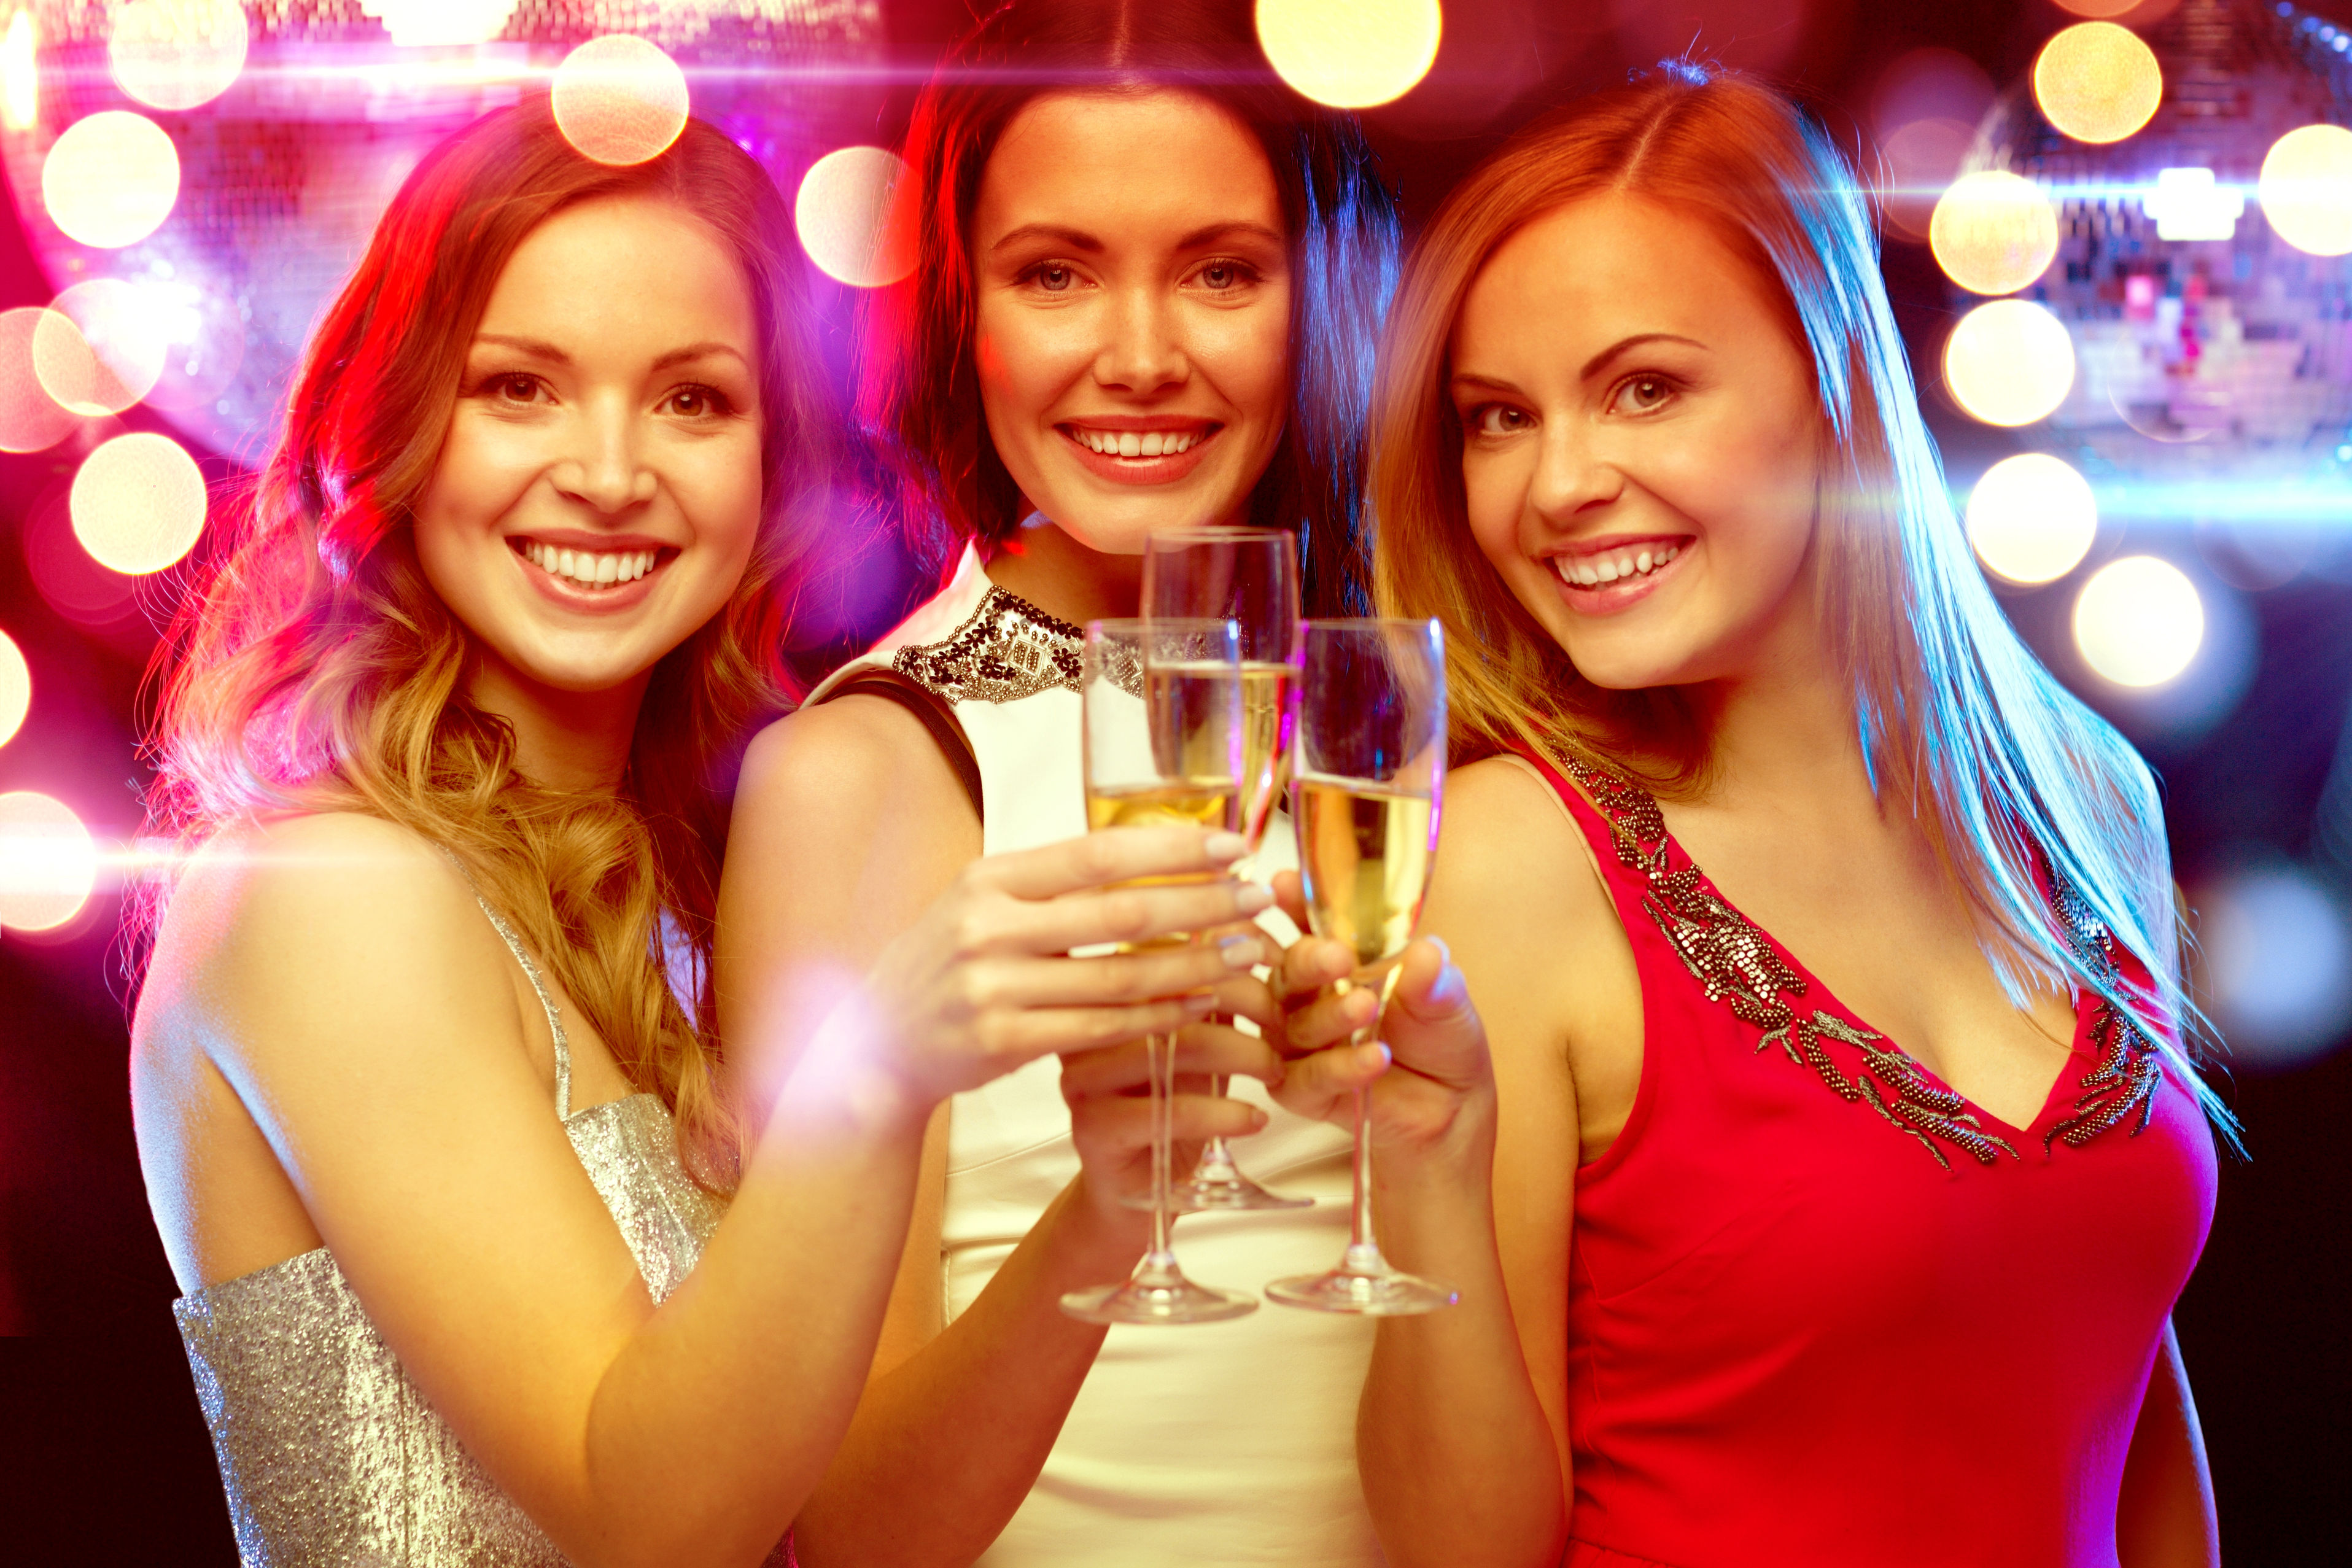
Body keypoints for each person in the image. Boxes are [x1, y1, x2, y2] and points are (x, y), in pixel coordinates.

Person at [129, 100, 1267, 1567]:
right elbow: (648, 1511)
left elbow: (842, 1528)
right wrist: (878, 1064)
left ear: (768, 471)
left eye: (690, 400)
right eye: (519, 387)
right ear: (399, 423)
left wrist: (1111, 1210)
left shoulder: (666, 887)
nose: (610, 470)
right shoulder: (324, 891)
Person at [1273, 66, 2226, 1568]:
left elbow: (2123, 1407)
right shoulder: (1514, 861)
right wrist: (1427, 1181)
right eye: (1497, 418)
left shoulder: (2086, 795)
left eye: (1642, 386)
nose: (1561, 483)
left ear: (1835, 372)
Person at [712, 1, 1399, 1562]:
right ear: (964, 310)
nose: (1139, 357)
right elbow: (844, 1524)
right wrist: (1119, 1200)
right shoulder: (869, 770)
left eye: (1221, 271)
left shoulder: (1406, 725)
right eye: (1054, 273)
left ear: (1325, 295)